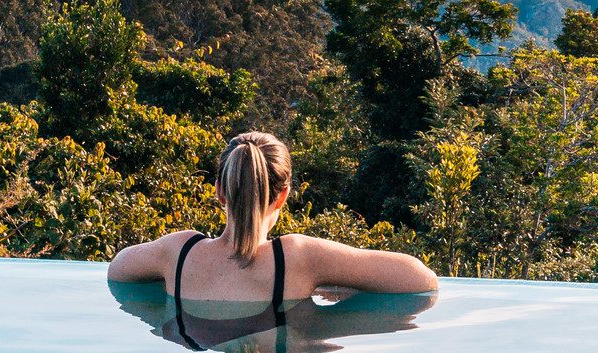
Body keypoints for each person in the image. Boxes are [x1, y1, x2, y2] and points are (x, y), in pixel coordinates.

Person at [106, 130, 439, 315]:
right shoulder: (298, 258)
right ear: (282, 196)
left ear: (220, 192)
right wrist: (341, 288)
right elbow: (420, 279)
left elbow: (118, 269)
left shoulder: (177, 253)